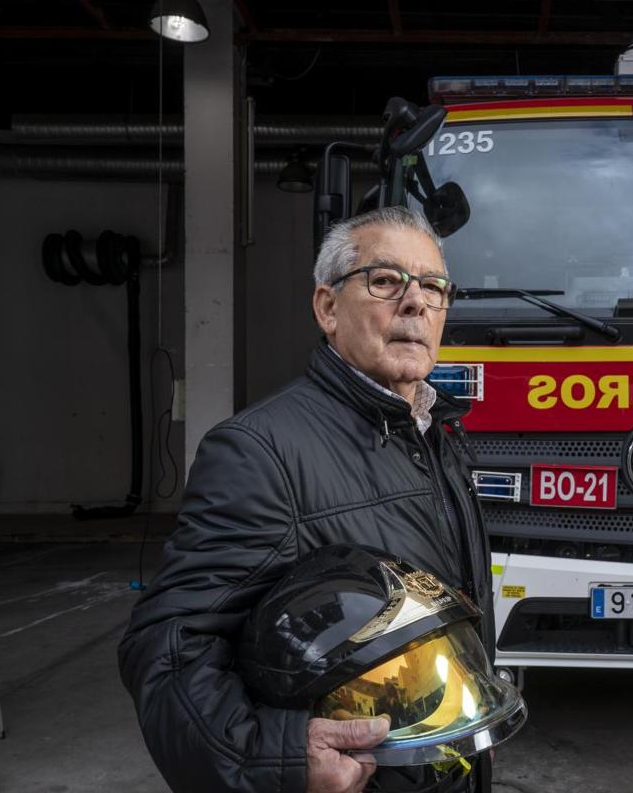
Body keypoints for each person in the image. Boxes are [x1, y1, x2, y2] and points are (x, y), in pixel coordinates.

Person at [119, 206, 492, 793]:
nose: (417, 303)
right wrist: (279, 758)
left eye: (434, 287)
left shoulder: (436, 434)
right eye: (386, 281)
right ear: (327, 308)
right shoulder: (258, 452)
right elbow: (168, 649)